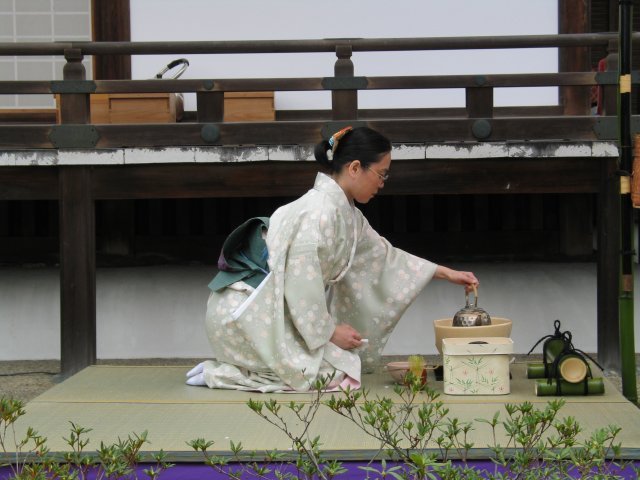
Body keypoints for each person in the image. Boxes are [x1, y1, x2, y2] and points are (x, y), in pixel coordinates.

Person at [186, 126, 478, 392]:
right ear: (354, 168)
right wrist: (329, 332)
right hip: (246, 315)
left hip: (272, 314)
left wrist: (446, 273)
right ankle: (221, 373)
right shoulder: (319, 213)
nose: (383, 183)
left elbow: (384, 257)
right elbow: (302, 285)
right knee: (332, 375)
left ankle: (238, 368)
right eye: (382, 173)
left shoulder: (347, 214)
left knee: (345, 366)